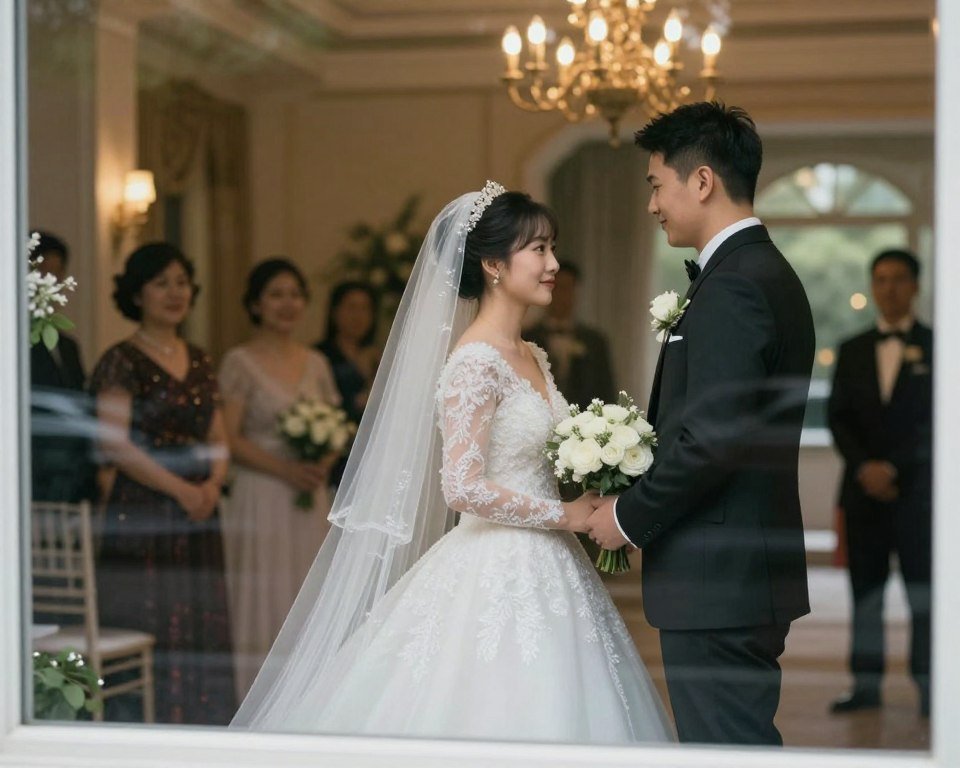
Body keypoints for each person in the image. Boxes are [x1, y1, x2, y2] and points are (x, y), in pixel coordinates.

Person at [232, 184, 673, 744]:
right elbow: (462, 487)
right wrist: (566, 515)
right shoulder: (475, 361)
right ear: (492, 264)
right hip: (496, 560)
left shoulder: (531, 353)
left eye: (551, 248)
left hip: (552, 561)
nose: (553, 264)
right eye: (538, 249)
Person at [586, 102, 815, 746]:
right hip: (738, 572)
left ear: (703, 181)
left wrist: (628, 516)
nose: (653, 204)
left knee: (724, 748)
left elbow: (712, 441)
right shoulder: (758, 272)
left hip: (720, 577)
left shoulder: (736, 285)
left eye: (657, 184)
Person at [89, 243, 235, 724]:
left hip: (199, 507)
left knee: (199, 618)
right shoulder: (121, 359)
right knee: (148, 616)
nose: (175, 293)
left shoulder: (199, 359)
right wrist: (181, 490)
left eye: (182, 282)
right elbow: (115, 444)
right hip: (145, 506)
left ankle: (202, 727)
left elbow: (218, 436)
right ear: (137, 293)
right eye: (161, 283)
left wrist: (212, 484)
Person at [219, 258, 343, 700]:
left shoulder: (315, 362)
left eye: (294, 294)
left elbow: (337, 423)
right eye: (275, 294)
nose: (287, 304)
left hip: (310, 493)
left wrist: (322, 462)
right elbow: (230, 438)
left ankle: (309, 699)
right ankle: (259, 698)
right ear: (255, 304)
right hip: (262, 493)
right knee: (265, 594)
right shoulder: (240, 361)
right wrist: (285, 470)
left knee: (307, 594)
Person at [827, 249, 932, 718]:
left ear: (915, 286)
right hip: (862, 493)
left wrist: (895, 469)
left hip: (919, 496)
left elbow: (937, 424)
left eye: (898, 279)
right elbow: (837, 418)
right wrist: (867, 466)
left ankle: (932, 689)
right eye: (881, 279)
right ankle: (865, 687)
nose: (888, 288)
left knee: (923, 593)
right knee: (864, 595)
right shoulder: (850, 349)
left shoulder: (940, 347)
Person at [29, 231, 96, 503]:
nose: (50, 284)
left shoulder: (68, 346)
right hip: (35, 474)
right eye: (42, 274)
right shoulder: (10, 342)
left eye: (57, 275)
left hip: (73, 478)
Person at [525, 260, 616, 409]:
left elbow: (606, 392)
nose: (562, 295)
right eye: (557, 288)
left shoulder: (595, 341)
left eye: (567, 288)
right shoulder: (528, 337)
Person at [315, 281, 380, 486]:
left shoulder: (380, 357)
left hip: (372, 453)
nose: (358, 316)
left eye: (364, 309)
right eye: (351, 308)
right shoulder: (320, 356)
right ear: (335, 312)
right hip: (334, 456)